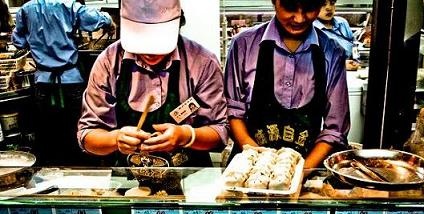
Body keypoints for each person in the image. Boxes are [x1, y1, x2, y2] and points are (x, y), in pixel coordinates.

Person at [78, 0, 228, 167]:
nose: (150, 52)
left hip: (190, 180)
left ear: (179, 24)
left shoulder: (202, 63)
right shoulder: (109, 62)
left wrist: (186, 135)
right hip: (127, 182)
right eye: (141, 40)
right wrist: (115, 139)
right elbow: (88, 136)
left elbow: (220, 133)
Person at [224, 0, 350, 169]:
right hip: (248, 165)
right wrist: (259, 166)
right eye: (290, 7)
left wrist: (299, 173)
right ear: (274, 2)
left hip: (306, 166)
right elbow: (233, 113)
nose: (299, 19)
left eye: (309, 8)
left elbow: (335, 130)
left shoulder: (332, 52)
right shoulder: (244, 45)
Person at [11, 0, 116, 166]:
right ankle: (79, 171)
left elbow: (19, 42)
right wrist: (109, 20)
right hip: (71, 81)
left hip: (43, 82)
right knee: (77, 133)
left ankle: (53, 171)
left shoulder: (26, 9)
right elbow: (95, 19)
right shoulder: (69, 6)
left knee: (48, 133)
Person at [314, 0, 360, 70]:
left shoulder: (342, 22)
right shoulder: (310, 29)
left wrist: (356, 61)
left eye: (332, 3)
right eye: (323, 4)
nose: (329, 8)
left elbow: (353, 44)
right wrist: (341, 65)